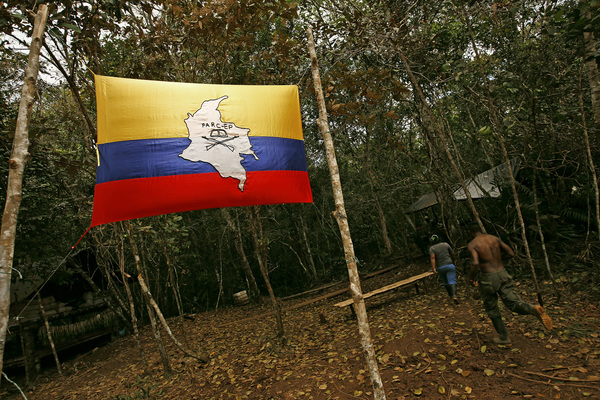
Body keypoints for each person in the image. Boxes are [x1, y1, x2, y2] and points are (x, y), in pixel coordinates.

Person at [467, 222, 553, 344]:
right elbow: (511, 253)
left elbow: (475, 263)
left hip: (488, 278)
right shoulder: (494, 238)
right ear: (480, 229)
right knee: (513, 303)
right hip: (503, 274)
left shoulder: (472, 244)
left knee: (492, 309)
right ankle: (532, 308)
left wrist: (471, 278)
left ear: (470, 232)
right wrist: (499, 259)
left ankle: (504, 337)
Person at [429, 234, 459, 304]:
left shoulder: (432, 248)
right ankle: (455, 296)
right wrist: (453, 262)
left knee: (445, 282)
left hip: (440, 267)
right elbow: (452, 254)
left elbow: (432, 258)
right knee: (452, 281)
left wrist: (434, 269)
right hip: (449, 265)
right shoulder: (446, 244)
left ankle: (450, 295)